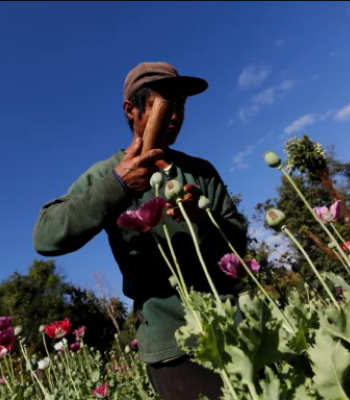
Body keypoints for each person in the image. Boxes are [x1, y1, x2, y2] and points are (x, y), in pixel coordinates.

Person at [32, 62, 248, 400]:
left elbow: (239, 244)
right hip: (173, 346)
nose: (175, 115)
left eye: (181, 105)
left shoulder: (200, 172)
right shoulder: (108, 173)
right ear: (131, 110)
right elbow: (45, 236)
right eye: (165, 104)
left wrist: (201, 221)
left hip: (232, 326)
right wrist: (118, 186)